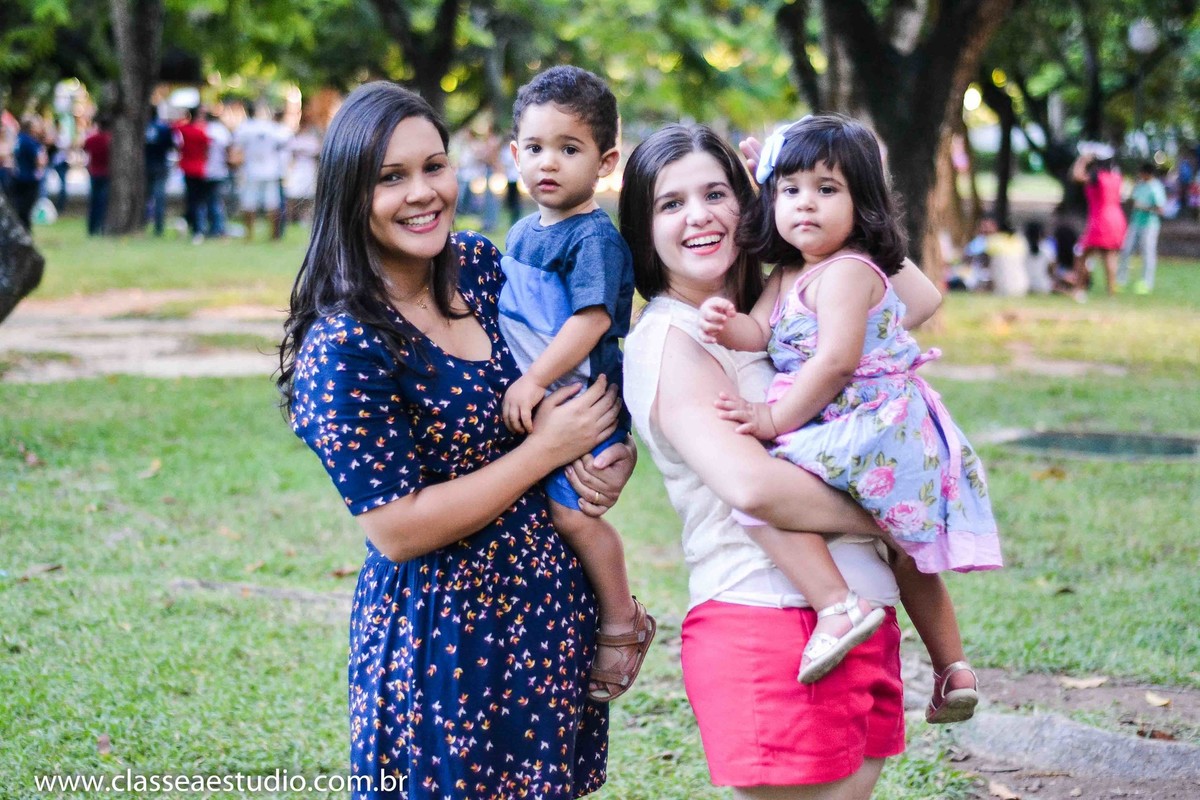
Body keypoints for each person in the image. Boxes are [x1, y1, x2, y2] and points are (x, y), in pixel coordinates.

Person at [277, 80, 636, 799]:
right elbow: (398, 529)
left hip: (548, 617)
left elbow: (584, 347)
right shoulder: (346, 345)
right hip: (444, 643)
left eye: (433, 166)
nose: (423, 193)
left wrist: (611, 447)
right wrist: (543, 451)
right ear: (352, 192)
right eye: (391, 177)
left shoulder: (478, 265)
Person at [620, 123, 949, 799]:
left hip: (860, 622)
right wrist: (899, 515)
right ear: (643, 230)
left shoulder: (785, 307)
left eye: (717, 193)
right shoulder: (670, 341)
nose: (700, 216)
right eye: (670, 204)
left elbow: (916, 300)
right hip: (771, 624)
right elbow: (753, 484)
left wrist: (846, 205)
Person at [698, 115, 1001, 690]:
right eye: (790, 191)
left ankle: (838, 607)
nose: (805, 205)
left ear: (863, 204)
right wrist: (725, 323)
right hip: (859, 423)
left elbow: (835, 363)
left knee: (758, 499)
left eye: (827, 190)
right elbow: (759, 333)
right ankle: (953, 672)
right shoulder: (789, 272)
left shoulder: (847, 273)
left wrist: (771, 418)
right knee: (905, 553)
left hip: (872, 423)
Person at [500, 65, 652, 703]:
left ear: (606, 161)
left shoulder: (591, 237)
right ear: (514, 154)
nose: (548, 164)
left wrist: (532, 378)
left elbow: (591, 320)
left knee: (573, 511)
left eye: (570, 148)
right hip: (540, 400)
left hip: (581, 400)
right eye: (534, 149)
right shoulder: (519, 232)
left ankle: (622, 619)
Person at [1071, 147, 1127, 299]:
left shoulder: (1097, 177)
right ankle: (1111, 292)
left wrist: (1083, 159)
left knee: (1082, 254)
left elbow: (1076, 176)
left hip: (1100, 219)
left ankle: (1078, 288)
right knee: (1110, 255)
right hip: (1117, 219)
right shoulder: (1116, 177)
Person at [232, 101, 286, 242]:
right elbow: (282, 145)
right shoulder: (273, 128)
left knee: (249, 203)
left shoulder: (245, 128)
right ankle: (274, 237)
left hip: (252, 170)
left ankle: (249, 236)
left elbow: (237, 150)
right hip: (271, 170)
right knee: (272, 204)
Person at [1117, 162, 1167, 295]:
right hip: (1135, 223)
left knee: (1148, 254)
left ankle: (1146, 283)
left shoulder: (1156, 187)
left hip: (1149, 225)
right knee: (1126, 250)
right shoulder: (1140, 185)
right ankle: (1121, 280)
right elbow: (1132, 200)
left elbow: (1161, 209)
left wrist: (1144, 207)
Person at [174, 107, 210, 243]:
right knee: (198, 201)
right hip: (200, 169)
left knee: (191, 199)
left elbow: (174, 128)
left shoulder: (184, 130)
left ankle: (187, 221)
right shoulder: (202, 132)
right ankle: (197, 229)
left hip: (187, 168)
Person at [10, 116, 46, 231]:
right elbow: (40, 159)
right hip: (29, 178)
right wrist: (40, 170)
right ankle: (26, 231)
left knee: (20, 207)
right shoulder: (31, 142)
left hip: (18, 177)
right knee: (26, 209)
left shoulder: (18, 139)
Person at [144, 105, 175, 237]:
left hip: (146, 166)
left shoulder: (142, 128)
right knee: (159, 198)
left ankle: (143, 223)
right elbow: (171, 145)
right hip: (161, 166)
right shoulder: (164, 128)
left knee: (145, 198)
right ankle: (158, 228)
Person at [202, 109, 232, 238]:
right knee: (216, 201)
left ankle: (212, 227)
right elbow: (228, 149)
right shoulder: (221, 131)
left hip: (204, 170)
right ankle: (217, 227)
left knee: (207, 201)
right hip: (219, 170)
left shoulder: (204, 129)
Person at [81, 114, 113, 236]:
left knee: (94, 201)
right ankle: (101, 227)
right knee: (104, 202)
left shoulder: (92, 139)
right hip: (106, 173)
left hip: (94, 173)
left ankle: (92, 227)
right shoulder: (110, 140)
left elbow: (84, 149)